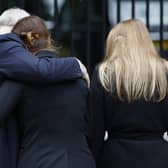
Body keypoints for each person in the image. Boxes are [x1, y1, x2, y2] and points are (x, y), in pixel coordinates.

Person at [0, 15, 95, 168]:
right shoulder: (79, 79)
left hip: (36, 161)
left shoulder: (19, 80)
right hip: (81, 161)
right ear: (49, 40)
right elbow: (92, 127)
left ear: (21, 46)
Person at [88, 19, 168, 168]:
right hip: (160, 157)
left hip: (115, 158)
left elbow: (95, 130)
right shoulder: (164, 72)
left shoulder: (104, 73)